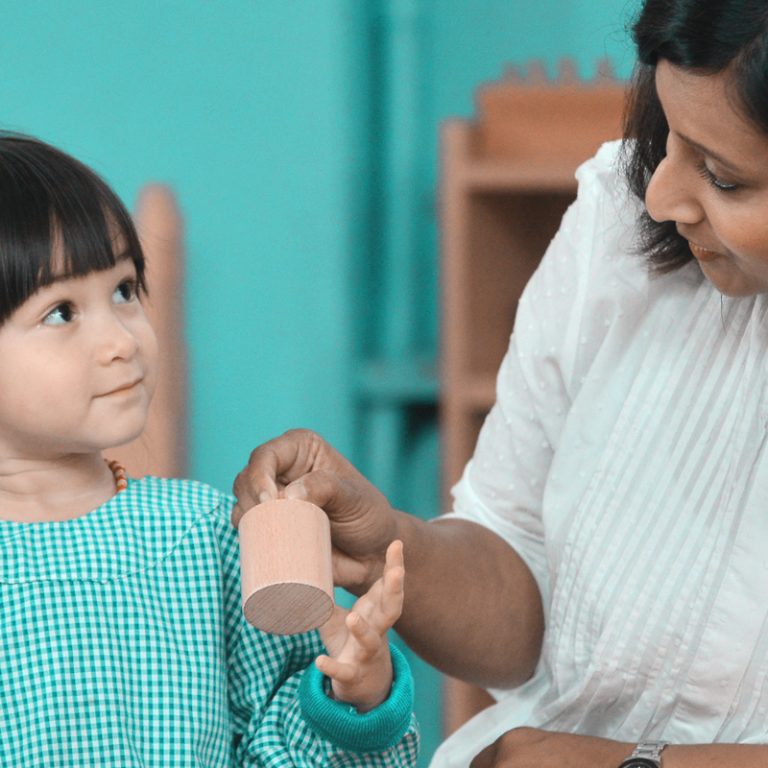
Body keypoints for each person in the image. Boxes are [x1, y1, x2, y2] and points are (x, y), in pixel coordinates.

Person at [232, 1, 768, 766]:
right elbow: (522, 595)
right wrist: (392, 542)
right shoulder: (618, 222)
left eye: (723, 176)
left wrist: (619, 762)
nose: (661, 197)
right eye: (670, 139)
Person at [0, 132, 419, 767]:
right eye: (60, 312)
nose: (121, 339)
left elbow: (279, 750)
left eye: (124, 289)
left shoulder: (203, 535)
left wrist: (353, 694)